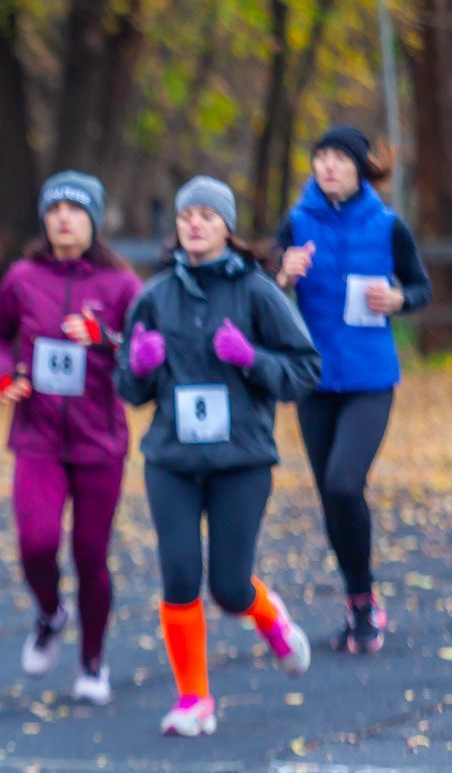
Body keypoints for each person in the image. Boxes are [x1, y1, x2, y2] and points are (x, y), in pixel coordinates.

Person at [116, 176, 321, 736]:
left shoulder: (257, 292)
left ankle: (272, 620)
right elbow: (129, 391)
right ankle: (194, 701)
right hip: (172, 461)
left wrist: (251, 357)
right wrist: (139, 367)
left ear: (227, 227)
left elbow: (305, 371)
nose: (195, 224)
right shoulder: (153, 297)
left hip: (241, 460)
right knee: (179, 575)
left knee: (229, 587)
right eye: (187, 216)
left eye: (208, 215)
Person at [0, 171, 143, 704]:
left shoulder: (121, 286)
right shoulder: (23, 277)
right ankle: (50, 613)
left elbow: (146, 354)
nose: (63, 219)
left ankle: (92, 660)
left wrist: (105, 338)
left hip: (100, 442)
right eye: (54, 210)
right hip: (38, 437)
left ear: (94, 220)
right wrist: (7, 377)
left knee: (91, 556)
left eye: (75, 210)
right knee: (37, 543)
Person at [275, 124, 431, 654]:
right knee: (331, 497)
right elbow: (259, 292)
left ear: (361, 167)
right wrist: (282, 275)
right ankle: (359, 601)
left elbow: (421, 287)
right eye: (321, 157)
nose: (329, 166)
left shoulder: (388, 226)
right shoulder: (295, 223)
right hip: (313, 380)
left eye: (341, 157)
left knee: (345, 484)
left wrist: (399, 299)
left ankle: (363, 601)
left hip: (369, 379)